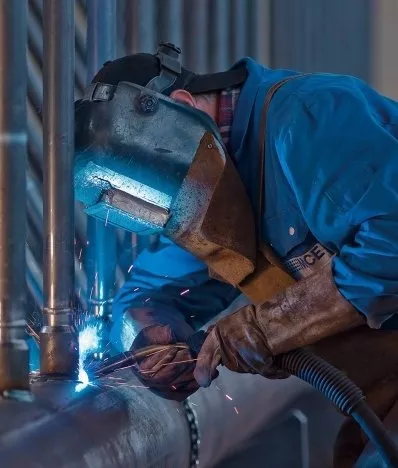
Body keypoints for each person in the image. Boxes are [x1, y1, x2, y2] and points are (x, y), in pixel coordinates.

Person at [73, 43, 398, 465]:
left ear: (183, 106)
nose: (177, 215)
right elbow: (148, 293)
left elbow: (391, 240)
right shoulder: (210, 190)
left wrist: (270, 326)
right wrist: (147, 334)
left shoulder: (307, 119)